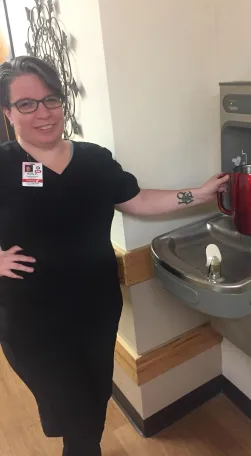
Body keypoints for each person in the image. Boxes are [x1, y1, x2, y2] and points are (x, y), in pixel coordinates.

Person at [0, 55, 229, 455]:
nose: (43, 113)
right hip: (29, 317)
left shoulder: (94, 159)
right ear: (8, 111)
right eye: (26, 103)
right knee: (71, 406)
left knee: (94, 394)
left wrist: (199, 193)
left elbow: (138, 201)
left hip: (96, 306)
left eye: (51, 99)